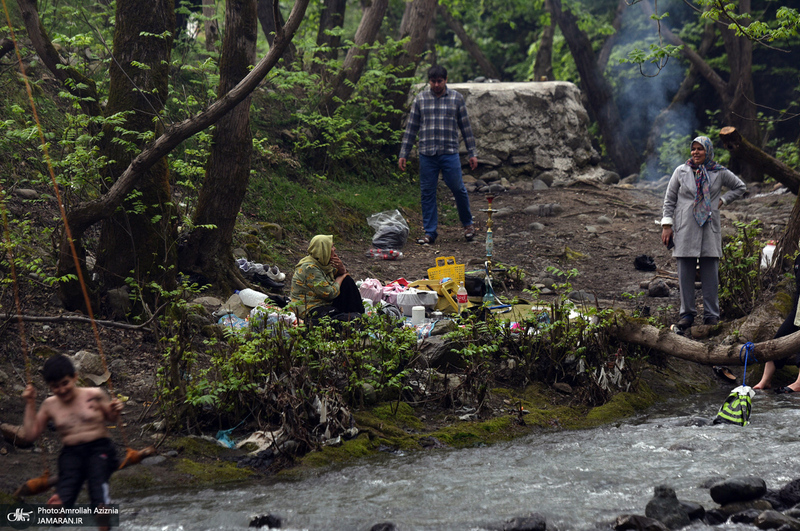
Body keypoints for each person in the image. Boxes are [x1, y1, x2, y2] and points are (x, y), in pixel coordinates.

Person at [20, 354, 122, 526]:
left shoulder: (94, 394)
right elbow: (30, 435)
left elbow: (111, 417)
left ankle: (103, 513)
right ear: (49, 386)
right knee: (62, 501)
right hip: (71, 454)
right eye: (55, 387)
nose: (61, 390)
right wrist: (30, 403)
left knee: (99, 496)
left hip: (100, 450)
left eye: (65, 383)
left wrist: (116, 408)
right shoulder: (49, 405)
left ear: (75, 377)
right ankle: (58, 506)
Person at [660, 136, 746, 334]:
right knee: (685, 273)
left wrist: (723, 199)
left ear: (708, 151)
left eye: (700, 149)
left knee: (710, 275)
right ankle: (687, 315)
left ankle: (711, 316)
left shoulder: (719, 172)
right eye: (693, 149)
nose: (696, 152)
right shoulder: (681, 171)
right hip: (686, 227)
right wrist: (667, 225)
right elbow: (670, 199)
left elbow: (740, 187)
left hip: (709, 228)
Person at [398, 64, 478, 245]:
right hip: (427, 153)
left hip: (449, 151)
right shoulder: (420, 99)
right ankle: (430, 232)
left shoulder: (457, 99)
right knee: (427, 192)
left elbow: (466, 128)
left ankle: (468, 225)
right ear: (429, 81)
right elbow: (411, 128)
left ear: (446, 80)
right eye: (433, 81)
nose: (436, 85)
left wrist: (472, 152)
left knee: (458, 188)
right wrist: (404, 153)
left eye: (439, 81)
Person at [289, 234, 365, 322]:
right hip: (309, 308)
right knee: (338, 320)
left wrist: (342, 270)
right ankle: (355, 318)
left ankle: (359, 314)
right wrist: (341, 277)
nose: (334, 249)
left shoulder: (324, 264)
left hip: (325, 304)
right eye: (332, 246)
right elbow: (329, 293)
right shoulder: (309, 268)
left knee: (347, 282)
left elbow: (344, 278)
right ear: (324, 250)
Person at [754, 254, 800, 393]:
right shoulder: (798, 259)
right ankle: (765, 380)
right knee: (779, 339)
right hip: (797, 309)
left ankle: (799, 382)